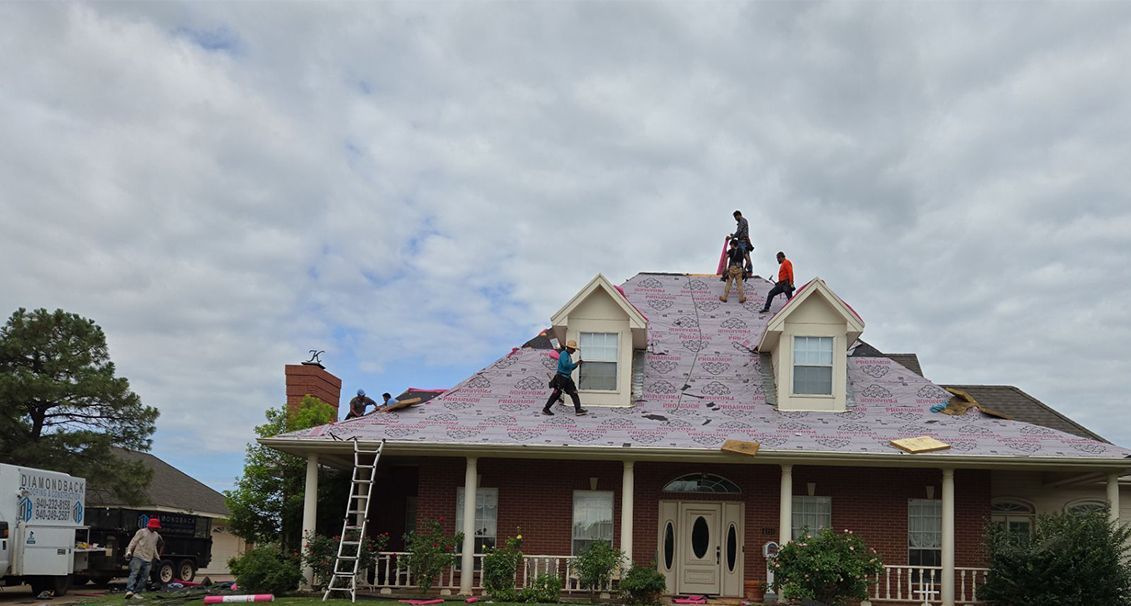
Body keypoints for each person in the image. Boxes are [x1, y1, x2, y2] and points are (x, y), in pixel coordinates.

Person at [543, 340, 588, 416]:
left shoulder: (568, 355)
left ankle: (578, 409)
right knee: (557, 393)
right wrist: (576, 363)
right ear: (569, 348)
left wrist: (577, 364)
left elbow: (569, 368)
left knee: (574, 393)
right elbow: (565, 365)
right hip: (561, 378)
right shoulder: (564, 354)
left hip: (567, 378)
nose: (574, 351)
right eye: (573, 349)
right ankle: (546, 409)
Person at [124, 518, 164, 599]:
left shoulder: (156, 535)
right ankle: (129, 590)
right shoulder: (141, 532)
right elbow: (133, 542)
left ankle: (136, 592)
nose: (155, 528)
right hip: (138, 556)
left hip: (148, 559)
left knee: (145, 577)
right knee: (134, 573)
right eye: (154, 527)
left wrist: (157, 557)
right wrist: (129, 551)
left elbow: (153, 547)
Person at [719, 238, 747, 304]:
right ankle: (741, 298)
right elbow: (748, 260)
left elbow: (726, 258)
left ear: (733, 244)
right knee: (739, 284)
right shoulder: (743, 251)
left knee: (728, 283)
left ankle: (725, 297)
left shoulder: (730, 251)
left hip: (732, 268)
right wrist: (745, 268)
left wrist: (725, 268)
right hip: (739, 269)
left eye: (730, 245)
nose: (730, 246)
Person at [729, 210, 754, 277]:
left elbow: (739, 231)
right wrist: (733, 236)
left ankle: (746, 270)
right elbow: (739, 232)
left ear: (738, 215)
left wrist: (732, 237)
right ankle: (748, 270)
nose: (735, 219)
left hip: (743, 242)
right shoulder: (743, 221)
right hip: (743, 241)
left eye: (735, 217)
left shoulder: (742, 221)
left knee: (743, 256)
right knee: (746, 256)